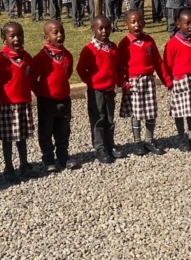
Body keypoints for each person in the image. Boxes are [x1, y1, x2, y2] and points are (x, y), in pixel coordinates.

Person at [0, 22, 38, 183]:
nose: (17, 39)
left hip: (23, 103)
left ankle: (24, 164)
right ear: (5, 39)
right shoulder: (2, 61)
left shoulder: (27, 58)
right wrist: (3, 101)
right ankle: (8, 167)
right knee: (8, 138)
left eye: (19, 35)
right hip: (8, 105)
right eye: (12, 36)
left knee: (22, 136)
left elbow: (31, 78)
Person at [31, 20, 80, 173]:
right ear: (47, 37)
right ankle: (48, 159)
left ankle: (63, 157)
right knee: (46, 130)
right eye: (55, 33)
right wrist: (41, 93)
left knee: (63, 130)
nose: (60, 35)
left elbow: (68, 73)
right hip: (47, 101)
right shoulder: (41, 57)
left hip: (64, 99)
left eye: (62, 32)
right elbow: (32, 78)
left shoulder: (67, 56)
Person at [77, 15, 125, 164]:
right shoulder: (89, 49)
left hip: (110, 90)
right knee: (98, 119)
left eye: (107, 28)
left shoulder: (113, 48)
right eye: (100, 28)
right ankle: (100, 147)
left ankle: (110, 144)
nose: (104, 31)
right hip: (96, 90)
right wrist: (91, 83)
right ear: (93, 30)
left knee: (110, 118)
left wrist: (119, 82)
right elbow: (80, 69)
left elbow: (117, 68)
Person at [117, 10, 166, 155]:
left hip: (148, 81)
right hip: (133, 83)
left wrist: (167, 81)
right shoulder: (124, 44)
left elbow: (158, 62)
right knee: (136, 113)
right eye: (133, 22)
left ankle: (149, 139)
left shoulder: (149, 41)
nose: (137, 25)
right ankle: (137, 141)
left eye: (139, 22)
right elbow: (118, 67)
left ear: (143, 23)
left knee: (151, 112)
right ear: (127, 25)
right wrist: (123, 84)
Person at [161, 9, 191, 151]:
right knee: (180, 111)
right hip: (180, 80)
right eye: (187, 23)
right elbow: (167, 64)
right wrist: (169, 82)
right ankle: (182, 138)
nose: (190, 26)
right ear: (178, 24)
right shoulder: (173, 44)